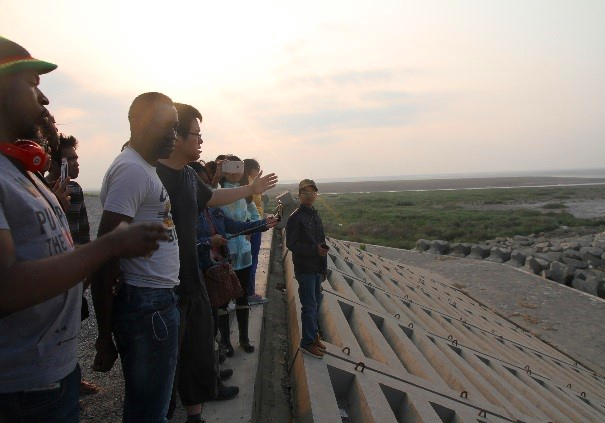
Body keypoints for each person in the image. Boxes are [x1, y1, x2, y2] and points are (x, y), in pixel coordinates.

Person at [0, 36, 168, 423]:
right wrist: (108, 246)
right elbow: (5, 287)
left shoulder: (21, 172)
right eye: (32, 85)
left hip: (50, 377)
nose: (44, 99)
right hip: (20, 393)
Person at [156, 103, 278, 422]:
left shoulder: (186, 175)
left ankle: (195, 412)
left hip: (192, 278)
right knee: (166, 368)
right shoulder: (151, 176)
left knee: (196, 349)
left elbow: (211, 198)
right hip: (165, 288)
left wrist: (251, 189)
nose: (201, 141)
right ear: (176, 135)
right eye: (196, 134)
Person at [92, 92, 182, 422]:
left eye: (175, 127)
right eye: (164, 125)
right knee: (149, 412)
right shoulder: (132, 171)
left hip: (153, 301)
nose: (173, 135)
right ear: (137, 123)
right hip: (147, 305)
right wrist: (103, 336)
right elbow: (106, 251)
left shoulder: (142, 167)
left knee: (152, 406)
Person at [219, 155, 263, 355]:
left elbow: (255, 215)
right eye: (231, 167)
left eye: (239, 167)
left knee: (242, 297)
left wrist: (250, 228)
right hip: (225, 253)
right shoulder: (217, 193)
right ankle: (225, 341)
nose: (236, 172)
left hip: (244, 253)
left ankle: (244, 338)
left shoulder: (244, 194)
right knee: (223, 299)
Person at [285, 179, 329, 358]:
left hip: (317, 267)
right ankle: (306, 342)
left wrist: (323, 267)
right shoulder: (295, 218)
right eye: (305, 192)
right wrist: (314, 250)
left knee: (316, 303)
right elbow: (292, 244)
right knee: (309, 306)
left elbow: (321, 241)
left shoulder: (314, 215)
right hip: (305, 268)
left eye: (313, 192)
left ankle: (313, 336)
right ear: (299, 195)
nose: (310, 195)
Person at [240, 158, 267, 305]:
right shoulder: (249, 186)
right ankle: (249, 293)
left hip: (250, 226)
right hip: (252, 227)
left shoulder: (241, 185)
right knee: (252, 260)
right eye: (257, 170)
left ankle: (244, 293)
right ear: (253, 170)